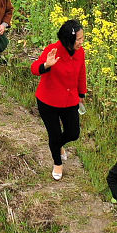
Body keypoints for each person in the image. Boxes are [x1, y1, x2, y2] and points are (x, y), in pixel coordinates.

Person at [31, 19, 87, 180]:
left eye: (83, 38)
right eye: (79, 39)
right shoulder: (52, 50)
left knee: (73, 133)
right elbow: (35, 69)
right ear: (68, 40)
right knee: (54, 134)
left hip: (70, 100)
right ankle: (57, 163)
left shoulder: (80, 52)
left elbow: (81, 72)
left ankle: (57, 144)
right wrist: (46, 65)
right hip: (48, 101)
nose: (82, 42)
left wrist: (81, 94)